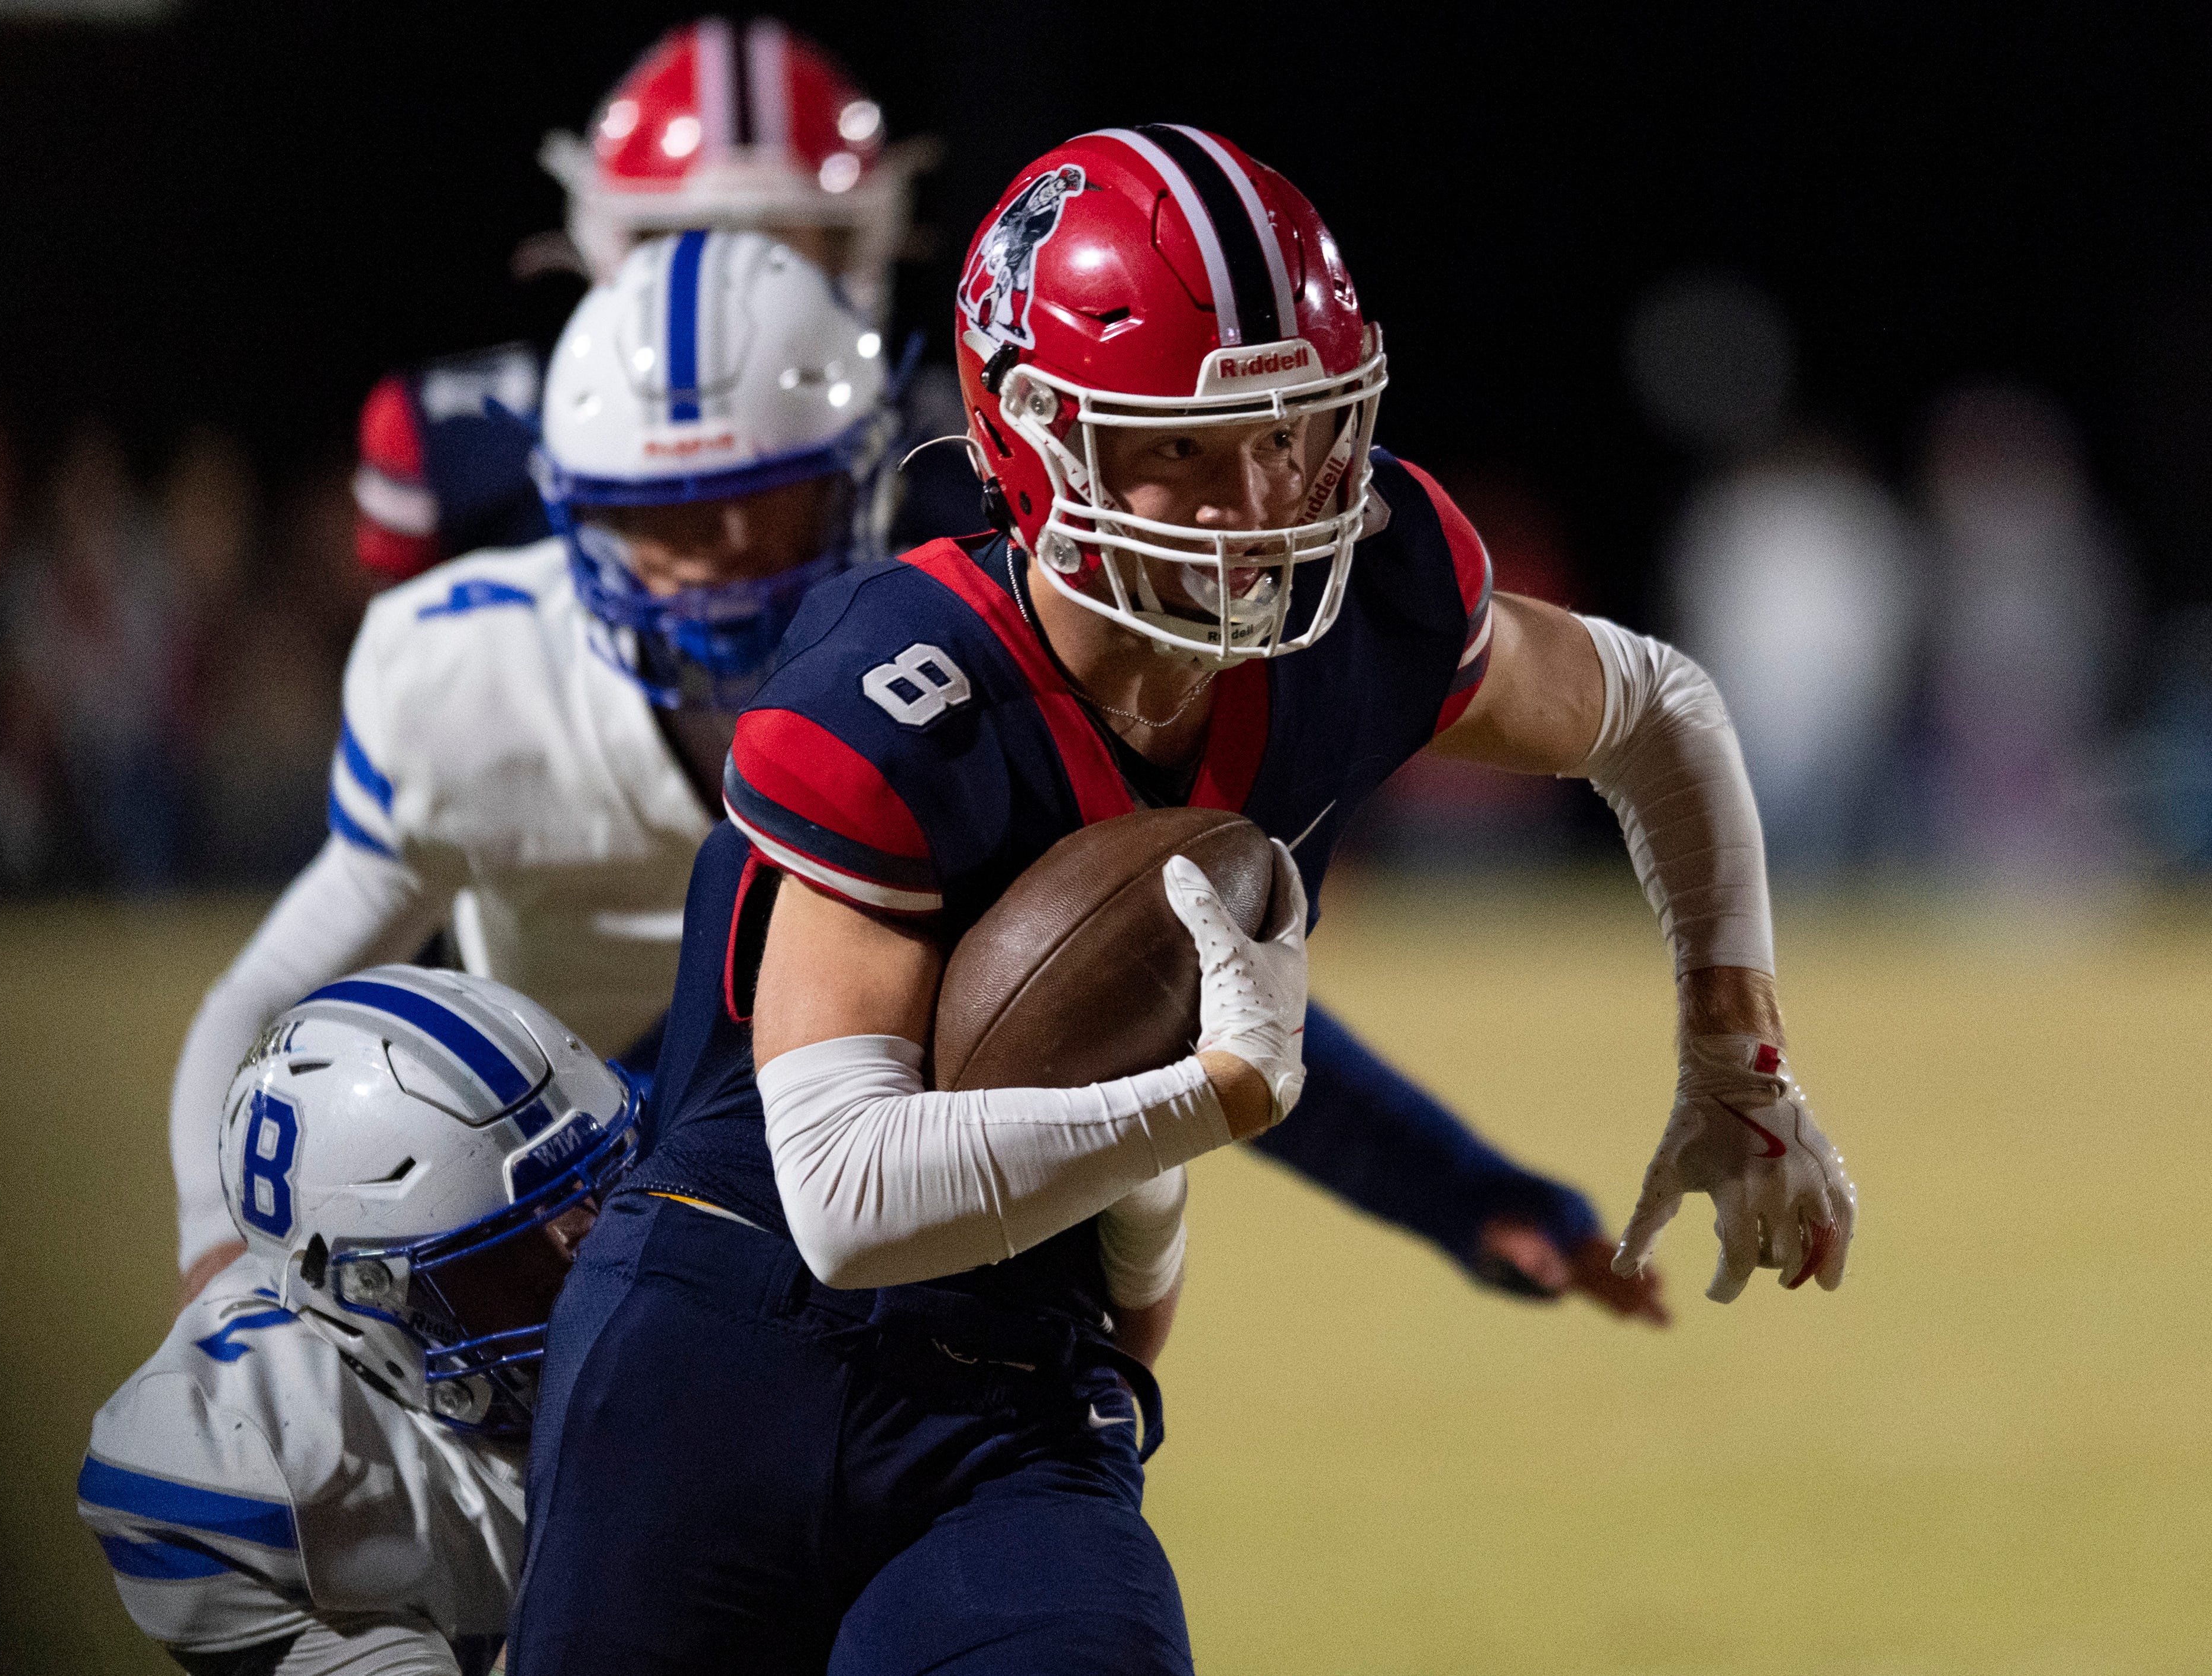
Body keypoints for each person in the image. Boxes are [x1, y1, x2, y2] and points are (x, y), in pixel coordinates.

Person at [508, 128, 1857, 1675]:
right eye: (1185, 449)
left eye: (1294, 429)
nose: (1265, 498)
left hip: (1013, 1388)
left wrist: (1731, 1052)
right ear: (1034, 437)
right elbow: (844, 1193)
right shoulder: (899, 692)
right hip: (721, 1353)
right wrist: (1206, 1100)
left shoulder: (1369, 601)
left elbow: (1655, 709)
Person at [168, 232, 1652, 1342]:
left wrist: (1456, 1188)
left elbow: (1161, 981)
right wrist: (215, 1256)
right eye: (663, 520)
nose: (719, 566)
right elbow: (287, 989)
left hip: (881, 1213)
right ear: (570, 516)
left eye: (772, 504)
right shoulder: (471, 681)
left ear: (875, 471)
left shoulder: (962, 657)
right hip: (536, 1199)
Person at [81, 967, 638, 1676]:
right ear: (366, 1293)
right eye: (510, 1248)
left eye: (603, 1194)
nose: (586, 1268)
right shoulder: (251, 1463)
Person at [353, 17, 936, 586]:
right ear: (602, 236)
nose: (725, 284)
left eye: (779, 242)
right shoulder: (454, 436)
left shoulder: (959, 441)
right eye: (686, 238)